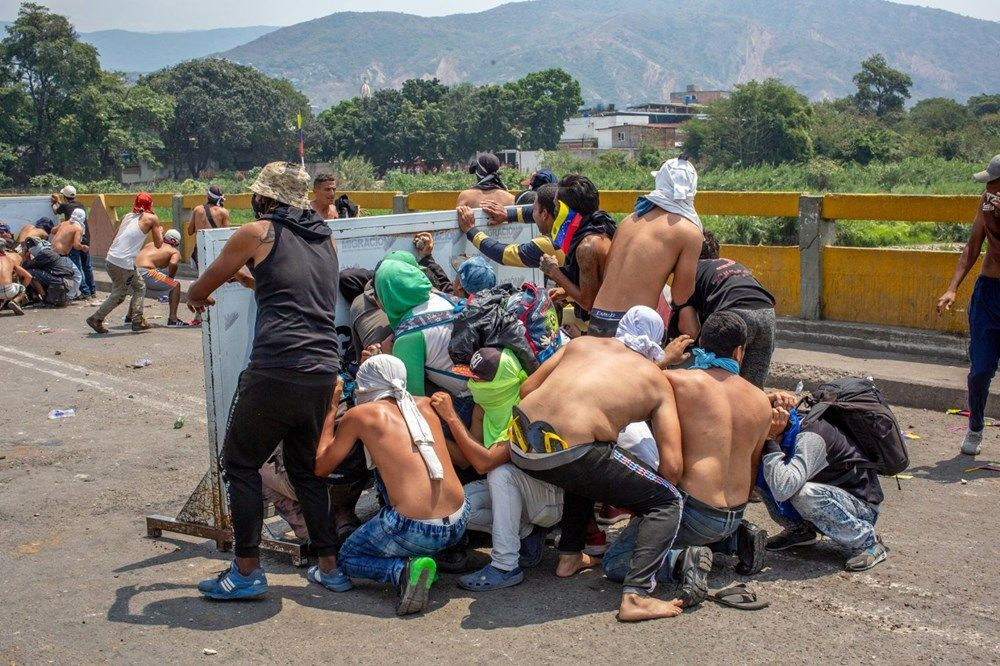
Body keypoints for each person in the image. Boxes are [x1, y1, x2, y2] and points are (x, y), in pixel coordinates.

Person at [189, 162, 345, 601]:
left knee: (239, 464)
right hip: (321, 369)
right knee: (305, 471)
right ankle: (329, 568)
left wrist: (201, 297)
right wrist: (250, 279)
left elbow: (199, 289)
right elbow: (291, 290)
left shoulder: (257, 233)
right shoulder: (325, 237)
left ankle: (245, 571)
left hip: (278, 367)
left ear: (266, 198)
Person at [506, 306, 686, 622]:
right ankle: (637, 596)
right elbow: (672, 469)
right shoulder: (657, 381)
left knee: (590, 462)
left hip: (519, 443)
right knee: (668, 500)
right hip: (569, 453)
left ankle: (569, 556)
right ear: (657, 343)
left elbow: (527, 389)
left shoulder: (581, 344)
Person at [603, 311, 772, 606]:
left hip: (692, 513)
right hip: (734, 513)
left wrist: (664, 360)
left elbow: (623, 390)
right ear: (739, 351)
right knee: (708, 522)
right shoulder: (760, 400)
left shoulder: (675, 382)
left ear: (700, 344)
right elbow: (753, 467)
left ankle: (683, 561)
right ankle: (735, 539)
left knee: (616, 561)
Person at [314, 355, 469, 616]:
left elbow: (322, 466)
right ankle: (437, 555)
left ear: (365, 385)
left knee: (348, 558)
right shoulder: (423, 404)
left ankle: (402, 571)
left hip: (416, 528)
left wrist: (331, 408)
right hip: (459, 520)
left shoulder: (360, 415)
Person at [431, 347, 563, 591]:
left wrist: (451, 418)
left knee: (500, 473)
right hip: (515, 493)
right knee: (454, 508)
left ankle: (505, 565)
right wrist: (430, 428)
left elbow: (485, 462)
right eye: (472, 378)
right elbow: (465, 459)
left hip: (547, 500)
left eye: (479, 380)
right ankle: (526, 535)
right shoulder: (484, 409)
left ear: (501, 382)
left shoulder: (526, 406)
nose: (473, 383)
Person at [760, 391, 889, 572]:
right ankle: (800, 531)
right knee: (760, 471)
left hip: (860, 508)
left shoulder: (811, 437)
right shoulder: (791, 430)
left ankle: (868, 541)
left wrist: (771, 440)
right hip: (828, 495)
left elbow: (783, 489)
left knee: (802, 493)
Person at [590, 157, 704, 338]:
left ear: (660, 182)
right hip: (635, 325)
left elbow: (608, 273)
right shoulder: (689, 232)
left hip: (598, 317)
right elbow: (681, 295)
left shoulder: (629, 220)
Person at [937, 154, 1000, 456]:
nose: (988, 188)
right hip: (989, 293)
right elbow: (973, 246)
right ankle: (975, 426)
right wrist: (952, 289)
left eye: (993, 183)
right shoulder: (985, 203)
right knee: (980, 370)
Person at [669, 230, 777, 388]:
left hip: (732, 313)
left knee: (717, 382)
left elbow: (690, 331)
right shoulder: (730, 264)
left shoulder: (689, 272)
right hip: (766, 313)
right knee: (752, 388)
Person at [86, 193, 164, 334]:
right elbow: (159, 244)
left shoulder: (127, 216)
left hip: (112, 259)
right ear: (150, 204)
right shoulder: (152, 218)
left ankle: (137, 319)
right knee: (119, 295)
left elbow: (116, 236)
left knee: (139, 286)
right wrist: (160, 231)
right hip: (123, 262)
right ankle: (97, 318)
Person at [458, 184, 564, 269]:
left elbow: (504, 253)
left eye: (534, 209)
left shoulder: (549, 243)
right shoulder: (569, 221)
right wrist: (508, 214)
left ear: (544, 214)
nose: (532, 212)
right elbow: (534, 213)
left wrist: (471, 230)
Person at [134, 229, 191, 327]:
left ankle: (129, 317)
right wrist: (171, 277)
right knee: (175, 285)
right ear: (176, 243)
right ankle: (173, 319)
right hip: (148, 271)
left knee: (138, 289)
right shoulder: (174, 251)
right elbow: (173, 263)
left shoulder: (151, 244)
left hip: (133, 270)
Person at [52, 187, 95, 299]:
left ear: (64, 196)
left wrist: (55, 202)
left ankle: (85, 292)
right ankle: (92, 290)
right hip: (86, 238)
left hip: (74, 239)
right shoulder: (80, 206)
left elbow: (56, 210)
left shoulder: (65, 208)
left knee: (77, 267)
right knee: (87, 266)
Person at [21, 237, 78, 304]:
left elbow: (25, 266)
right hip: (65, 280)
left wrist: (24, 255)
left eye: (32, 246)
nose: (31, 249)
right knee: (36, 272)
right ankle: (36, 296)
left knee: (31, 273)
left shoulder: (44, 254)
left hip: (61, 280)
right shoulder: (49, 252)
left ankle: (44, 298)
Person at [187, 186, 230, 270]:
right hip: (215, 249)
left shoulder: (197, 209)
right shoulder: (223, 212)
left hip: (199, 249)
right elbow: (226, 235)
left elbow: (190, 231)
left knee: (201, 276)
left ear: (208, 196)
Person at [48, 214, 86, 300]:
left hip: (51, 251)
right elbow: (76, 245)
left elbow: (53, 230)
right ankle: (69, 296)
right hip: (61, 255)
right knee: (77, 276)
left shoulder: (64, 223)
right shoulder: (78, 228)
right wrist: (83, 247)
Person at [0, 239, 30, 315]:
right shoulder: (10, 260)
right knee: (22, 288)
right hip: (9, 290)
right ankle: (15, 301)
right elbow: (28, 276)